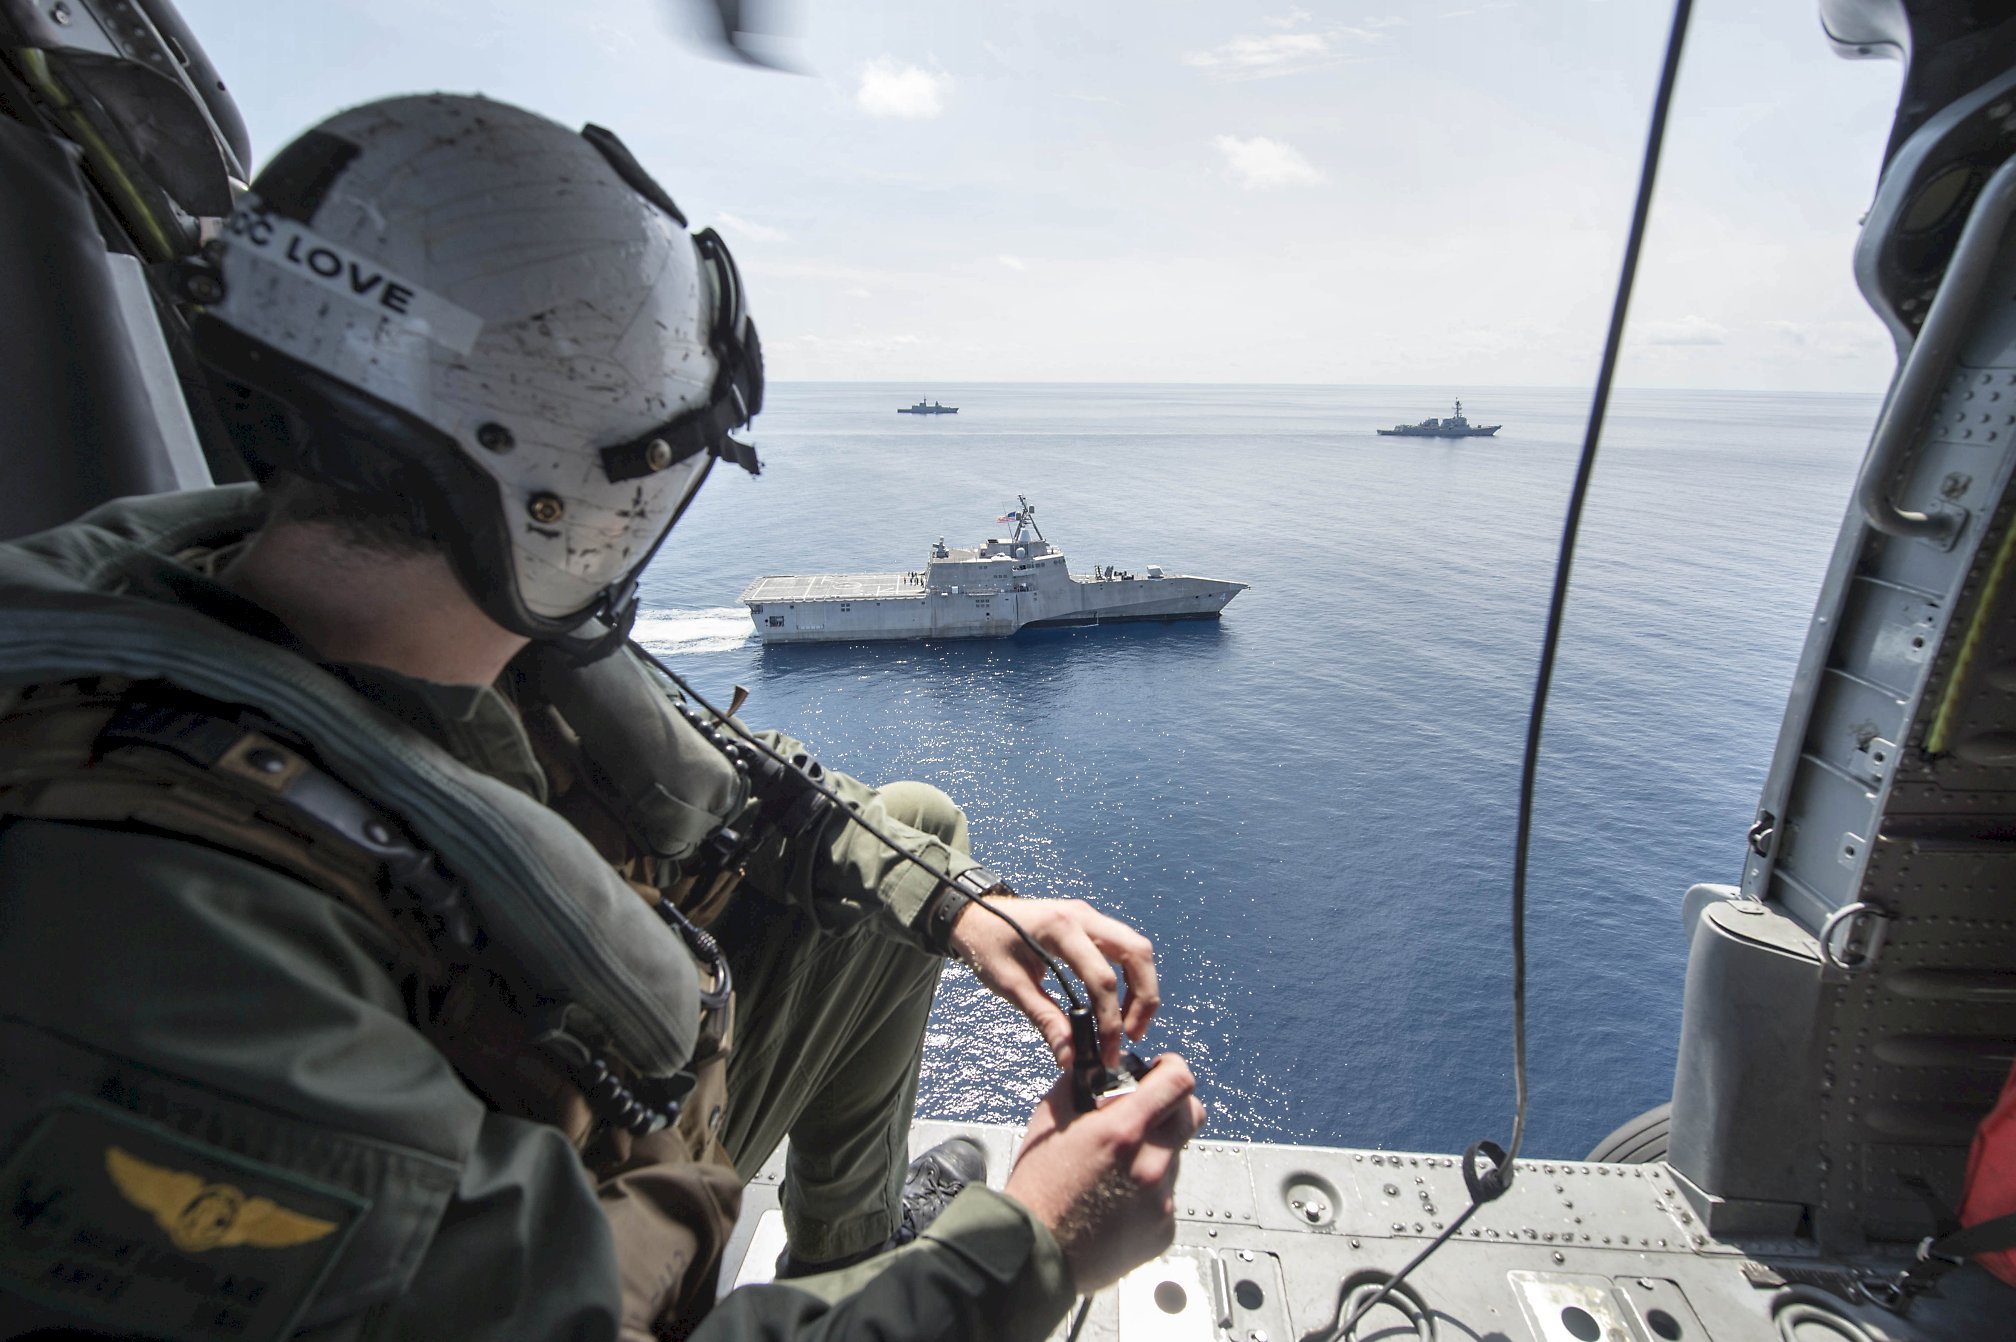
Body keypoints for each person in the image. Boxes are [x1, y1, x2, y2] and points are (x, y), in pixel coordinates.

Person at [0, 95, 1203, 1340]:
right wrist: (1028, 1249)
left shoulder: (429, 610)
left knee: (917, 829)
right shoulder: (154, 972)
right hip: (570, 1237)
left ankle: (846, 1259)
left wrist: (966, 902)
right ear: (575, 501)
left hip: (574, 1112)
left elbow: (750, 798)